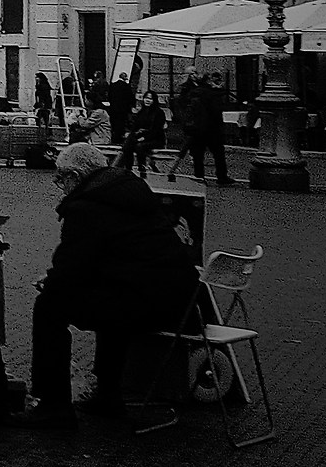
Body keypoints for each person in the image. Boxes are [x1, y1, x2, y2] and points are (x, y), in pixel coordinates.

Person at [21, 142, 200, 425]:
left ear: (76, 177)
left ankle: (53, 404)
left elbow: (72, 267)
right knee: (110, 299)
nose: (60, 185)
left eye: (61, 178)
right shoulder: (130, 192)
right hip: (182, 303)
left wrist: (52, 282)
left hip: (146, 304)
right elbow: (116, 256)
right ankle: (108, 394)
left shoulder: (85, 206)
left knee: (49, 307)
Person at [180, 73, 233, 184]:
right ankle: (222, 176)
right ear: (209, 81)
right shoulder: (212, 95)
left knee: (198, 155)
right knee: (218, 154)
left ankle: (199, 177)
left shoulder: (194, 93)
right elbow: (217, 111)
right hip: (212, 129)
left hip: (197, 129)